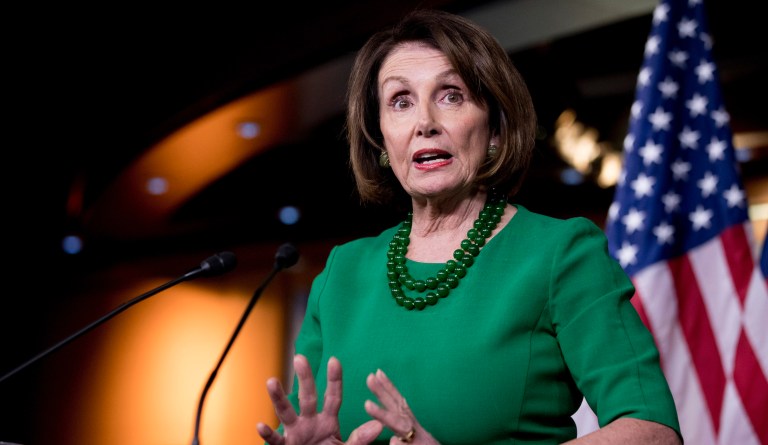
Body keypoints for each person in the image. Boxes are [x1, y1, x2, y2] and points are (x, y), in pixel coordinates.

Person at [256, 8, 682, 445]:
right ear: (381, 138)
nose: (425, 123)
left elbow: (652, 431)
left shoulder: (562, 253)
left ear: (495, 127)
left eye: (451, 95)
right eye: (401, 101)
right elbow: (306, 422)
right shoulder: (341, 273)